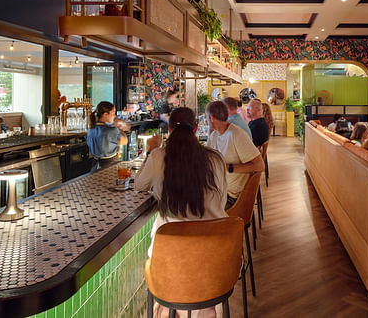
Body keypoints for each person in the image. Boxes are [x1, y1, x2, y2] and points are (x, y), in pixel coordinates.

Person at [135, 107, 227, 318]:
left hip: (172, 257)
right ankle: (205, 309)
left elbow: (139, 185)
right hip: (217, 256)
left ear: (169, 128)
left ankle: (168, 308)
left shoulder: (159, 156)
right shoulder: (215, 159)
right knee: (204, 293)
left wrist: (150, 151)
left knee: (168, 277)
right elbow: (221, 203)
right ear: (196, 128)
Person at [206, 101, 264, 209]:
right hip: (218, 190)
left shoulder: (236, 134)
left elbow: (260, 166)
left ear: (212, 118)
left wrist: (228, 167)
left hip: (231, 197)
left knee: (193, 210)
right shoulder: (214, 136)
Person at [87, 101, 130, 172]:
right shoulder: (112, 130)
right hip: (110, 167)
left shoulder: (91, 129)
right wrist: (119, 127)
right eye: (113, 113)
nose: (115, 116)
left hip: (94, 167)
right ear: (105, 114)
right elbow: (125, 141)